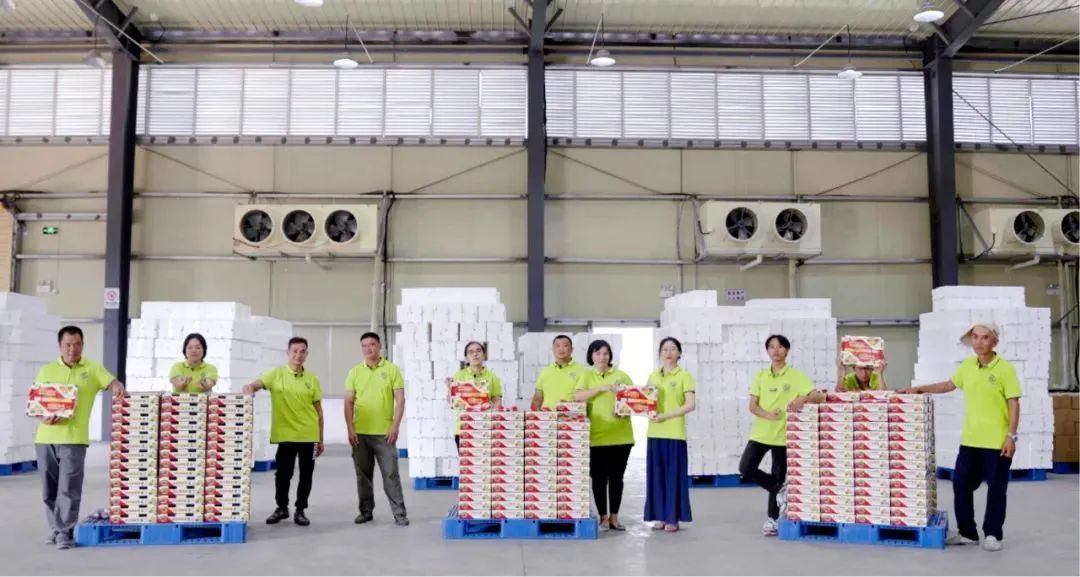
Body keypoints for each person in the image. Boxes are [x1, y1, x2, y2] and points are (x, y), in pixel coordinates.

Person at [899, 322, 1020, 553]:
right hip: (970, 441)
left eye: (985, 337)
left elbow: (1013, 403)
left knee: (996, 490)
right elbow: (948, 385)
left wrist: (1011, 436)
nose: (979, 342)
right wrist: (919, 389)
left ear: (995, 342)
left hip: (996, 442)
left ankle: (993, 534)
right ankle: (967, 533)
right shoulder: (967, 366)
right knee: (961, 484)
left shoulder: (1005, 369)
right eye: (975, 337)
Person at [32, 325, 126, 550]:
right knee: (49, 490)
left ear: (83, 345)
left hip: (74, 439)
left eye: (76, 345)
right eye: (67, 345)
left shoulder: (92, 369)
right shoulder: (46, 371)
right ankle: (56, 528)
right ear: (59, 346)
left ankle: (65, 532)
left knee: (68, 488)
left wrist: (117, 385)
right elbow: (36, 404)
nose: (72, 349)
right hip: (45, 438)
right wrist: (43, 417)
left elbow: (110, 382)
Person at [741, 334, 825, 537]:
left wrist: (802, 399)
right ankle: (780, 489)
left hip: (784, 435)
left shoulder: (796, 376)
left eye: (779, 347)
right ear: (767, 351)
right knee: (745, 467)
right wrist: (768, 415)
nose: (775, 350)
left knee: (777, 473)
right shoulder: (761, 376)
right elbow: (752, 406)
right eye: (771, 347)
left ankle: (772, 519)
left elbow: (819, 396)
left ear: (787, 350)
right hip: (761, 433)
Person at [243, 337, 324, 528]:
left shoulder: (312, 379)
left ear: (306, 354)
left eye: (302, 351)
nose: (298, 355)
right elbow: (255, 385)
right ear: (287, 353)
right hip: (285, 435)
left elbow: (319, 412)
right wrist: (248, 389)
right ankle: (281, 508)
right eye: (295, 351)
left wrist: (320, 439)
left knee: (306, 475)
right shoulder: (276, 374)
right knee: (282, 475)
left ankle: (300, 510)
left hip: (309, 435)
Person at [345, 332, 409, 527]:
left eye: (372, 344)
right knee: (363, 476)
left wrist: (395, 426)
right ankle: (365, 512)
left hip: (385, 434)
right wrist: (351, 429)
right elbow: (348, 402)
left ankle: (399, 514)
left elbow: (400, 400)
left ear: (380, 346)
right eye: (364, 345)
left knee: (391, 474)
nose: (368, 348)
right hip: (361, 434)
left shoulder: (391, 370)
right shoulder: (355, 372)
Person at [574, 339, 634, 532]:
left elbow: (635, 398)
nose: (602, 357)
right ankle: (603, 518)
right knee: (599, 479)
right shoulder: (586, 375)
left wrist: (623, 408)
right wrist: (600, 388)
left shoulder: (621, 375)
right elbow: (578, 396)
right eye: (598, 353)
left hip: (621, 436)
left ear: (610, 356)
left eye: (605, 353)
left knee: (617, 478)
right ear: (591, 356)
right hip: (596, 437)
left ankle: (615, 517)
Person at [643, 337, 696, 533]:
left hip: (674, 433)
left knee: (673, 476)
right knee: (656, 476)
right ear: (660, 353)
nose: (668, 352)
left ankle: (672, 518)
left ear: (679, 353)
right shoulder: (653, 376)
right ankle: (659, 516)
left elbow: (690, 405)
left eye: (673, 349)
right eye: (665, 349)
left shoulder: (684, 376)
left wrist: (665, 416)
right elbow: (645, 401)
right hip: (654, 432)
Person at [446, 341, 503, 448]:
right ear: (466, 357)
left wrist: (493, 406)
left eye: (478, 351)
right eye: (471, 352)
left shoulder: (492, 377)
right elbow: (451, 401)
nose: (475, 354)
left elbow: (497, 400)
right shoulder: (458, 376)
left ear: (484, 355)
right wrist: (450, 389)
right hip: (463, 428)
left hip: (485, 426)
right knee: (466, 459)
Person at [531, 335, 582, 410]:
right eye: (557, 346)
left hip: (570, 416)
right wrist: (533, 415)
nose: (561, 349)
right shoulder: (545, 372)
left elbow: (583, 400)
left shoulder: (582, 371)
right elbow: (537, 399)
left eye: (565, 345)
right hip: (547, 416)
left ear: (572, 349)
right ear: (553, 350)